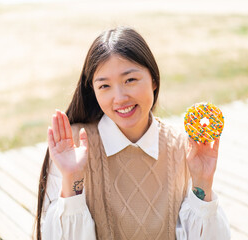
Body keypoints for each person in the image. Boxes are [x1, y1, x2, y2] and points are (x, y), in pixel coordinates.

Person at [34, 26, 231, 240]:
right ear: (93, 90)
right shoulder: (73, 145)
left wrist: (203, 180)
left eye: (130, 80)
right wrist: (72, 178)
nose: (119, 98)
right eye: (105, 86)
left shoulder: (183, 148)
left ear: (154, 80)